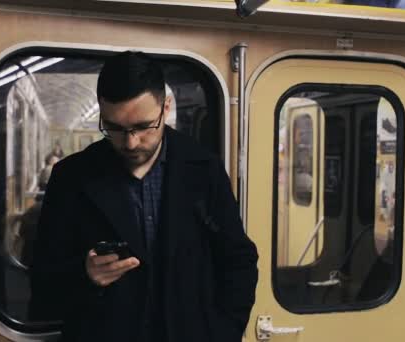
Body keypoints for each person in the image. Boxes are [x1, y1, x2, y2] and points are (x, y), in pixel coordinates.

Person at [30, 51, 258, 342]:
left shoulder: (204, 169)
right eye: (114, 128)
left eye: (142, 127)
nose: (130, 142)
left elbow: (238, 261)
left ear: (166, 108)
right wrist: (85, 275)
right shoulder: (71, 178)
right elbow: (42, 284)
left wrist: (224, 332)